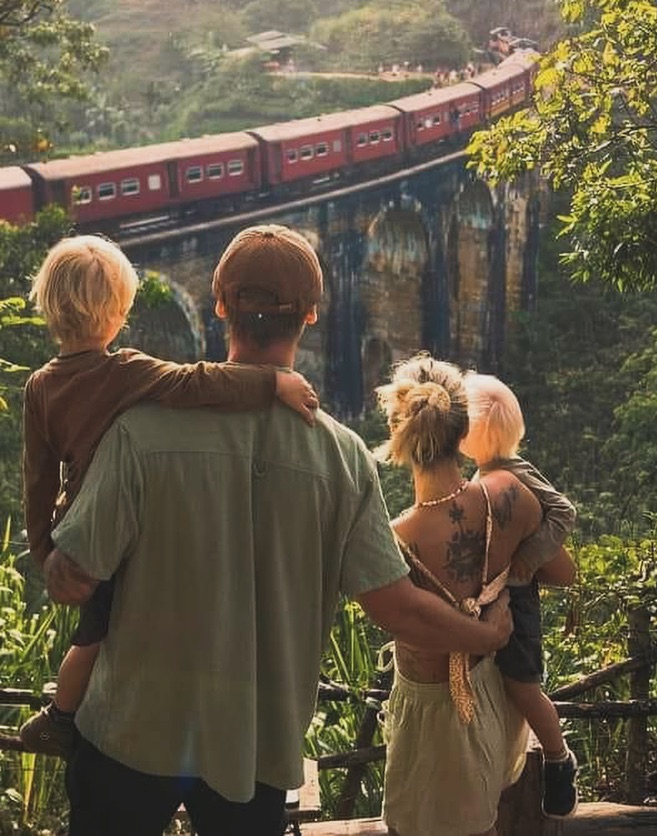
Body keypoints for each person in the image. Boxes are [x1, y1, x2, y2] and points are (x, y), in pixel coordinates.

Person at [43, 224, 514, 836]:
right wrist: (484, 634)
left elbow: (70, 580)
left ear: (220, 306)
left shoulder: (139, 431)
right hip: (255, 747)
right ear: (312, 315)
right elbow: (398, 607)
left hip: (132, 732)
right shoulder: (343, 458)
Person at [18, 233, 319, 758]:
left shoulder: (40, 386)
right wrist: (272, 385)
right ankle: (62, 718)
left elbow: (37, 479)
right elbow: (199, 382)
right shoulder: (127, 371)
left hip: (79, 535)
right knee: (102, 633)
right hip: (123, 526)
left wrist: (45, 552)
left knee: (95, 635)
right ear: (118, 311)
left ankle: (65, 714)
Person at [376, 355, 553, 836]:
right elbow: (559, 567)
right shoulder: (508, 495)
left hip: (437, 717)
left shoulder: (397, 538)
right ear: (463, 430)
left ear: (400, 433)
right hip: (494, 694)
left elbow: (398, 618)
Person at [461, 371, 579, 819]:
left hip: (520, 599)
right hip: (494, 599)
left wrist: (529, 557)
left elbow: (564, 510)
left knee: (524, 687)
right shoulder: (485, 474)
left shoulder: (513, 471)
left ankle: (557, 759)